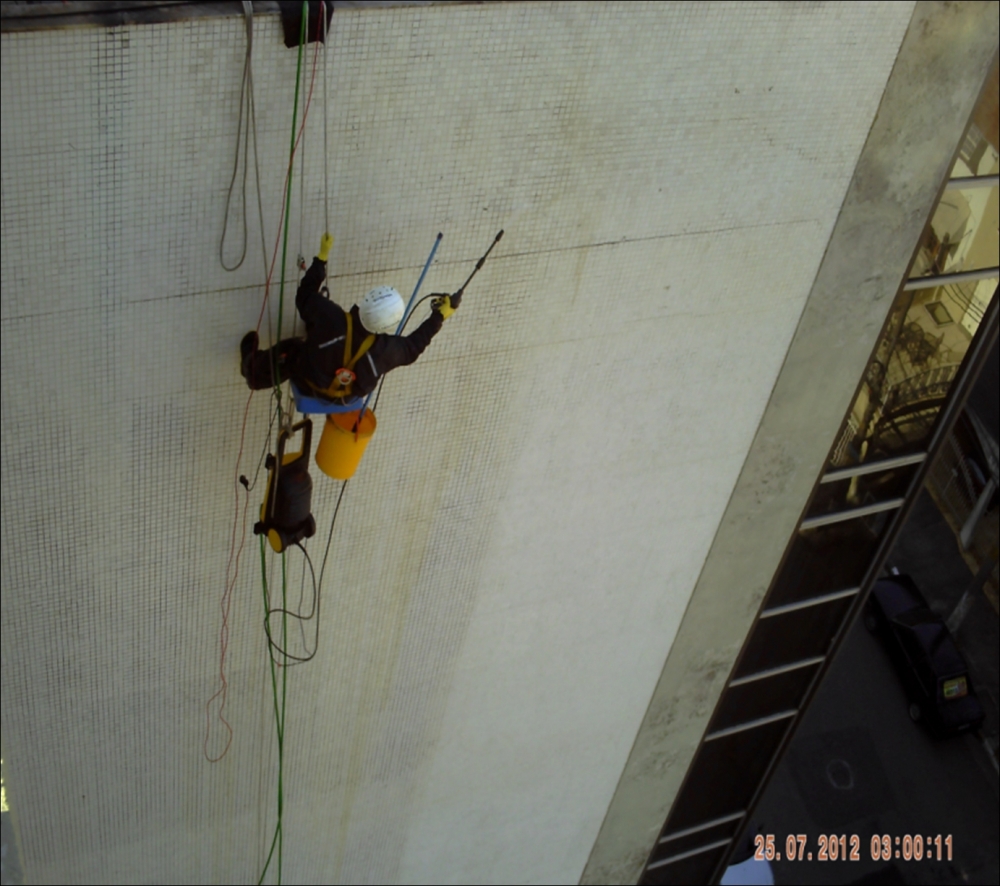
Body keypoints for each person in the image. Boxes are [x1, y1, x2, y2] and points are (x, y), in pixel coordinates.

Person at [240, 233, 459, 401]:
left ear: (365, 303)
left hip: (310, 382)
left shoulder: (331, 318)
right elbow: (413, 347)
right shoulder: (386, 351)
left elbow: (304, 296)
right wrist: (439, 316)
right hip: (343, 400)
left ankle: (252, 372)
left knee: (293, 350)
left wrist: (321, 259)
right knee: (319, 338)